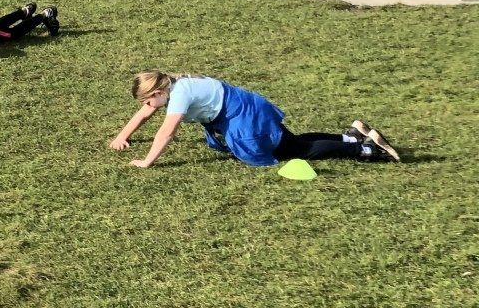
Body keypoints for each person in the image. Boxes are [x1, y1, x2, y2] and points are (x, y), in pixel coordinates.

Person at [110, 71, 401, 170]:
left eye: (148, 100)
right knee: (291, 141)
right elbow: (144, 113)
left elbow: (166, 133)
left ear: (158, 92)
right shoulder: (173, 87)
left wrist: (147, 162)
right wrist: (123, 136)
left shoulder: (180, 95)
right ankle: (352, 136)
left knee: (294, 150)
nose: (147, 107)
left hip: (243, 114)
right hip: (240, 107)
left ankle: (365, 149)